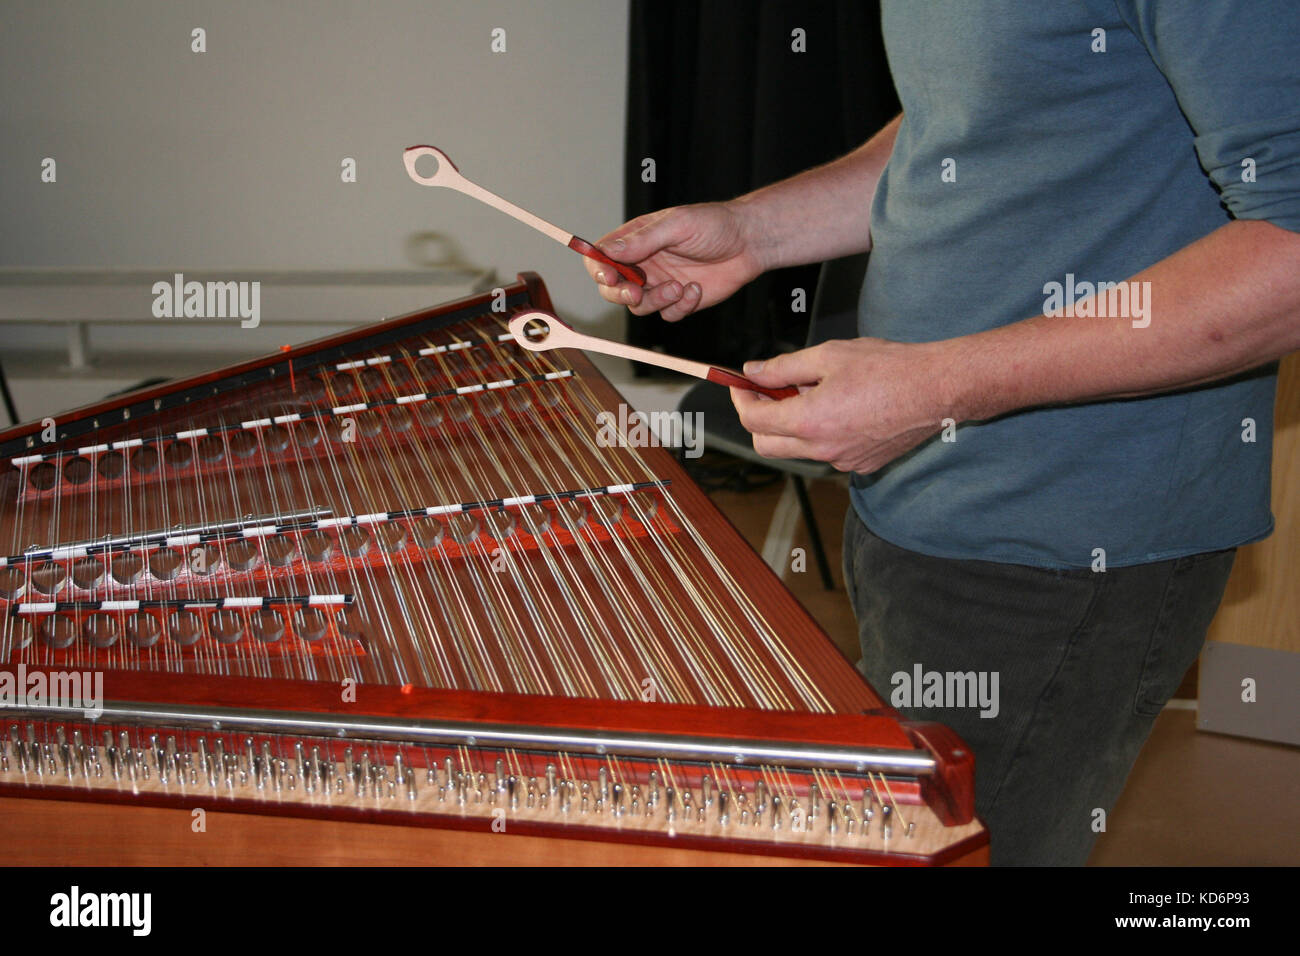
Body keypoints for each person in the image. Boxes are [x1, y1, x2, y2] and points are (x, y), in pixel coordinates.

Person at [583, 2, 1300, 865]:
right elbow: (973, 114)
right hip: (912, 493)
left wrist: (940, 387)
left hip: (1067, 537)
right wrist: (760, 229)